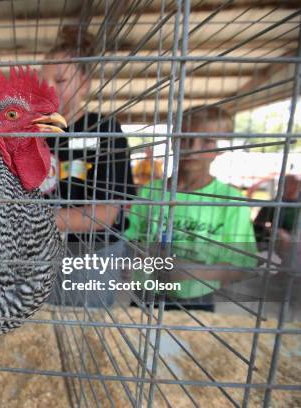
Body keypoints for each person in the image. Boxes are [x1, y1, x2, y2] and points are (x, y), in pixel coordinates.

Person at [125, 107, 258, 311]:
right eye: (185, 139)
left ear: (220, 148)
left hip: (198, 298)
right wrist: (145, 253)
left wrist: (197, 272)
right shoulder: (149, 192)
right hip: (145, 293)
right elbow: (129, 239)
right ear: (173, 142)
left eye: (207, 141)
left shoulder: (232, 201)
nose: (193, 148)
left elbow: (244, 266)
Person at [41, 30, 136, 308]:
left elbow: (106, 213)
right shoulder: (36, 134)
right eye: (44, 83)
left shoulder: (105, 129)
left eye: (60, 81)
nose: (50, 90)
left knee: (85, 327)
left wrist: (35, 221)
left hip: (93, 252)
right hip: (42, 251)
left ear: (84, 83)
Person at [254, 174, 299, 263]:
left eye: (295, 183)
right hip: (283, 238)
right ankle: (285, 269)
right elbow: (258, 223)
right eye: (285, 183)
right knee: (284, 238)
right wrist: (273, 230)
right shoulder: (273, 204)